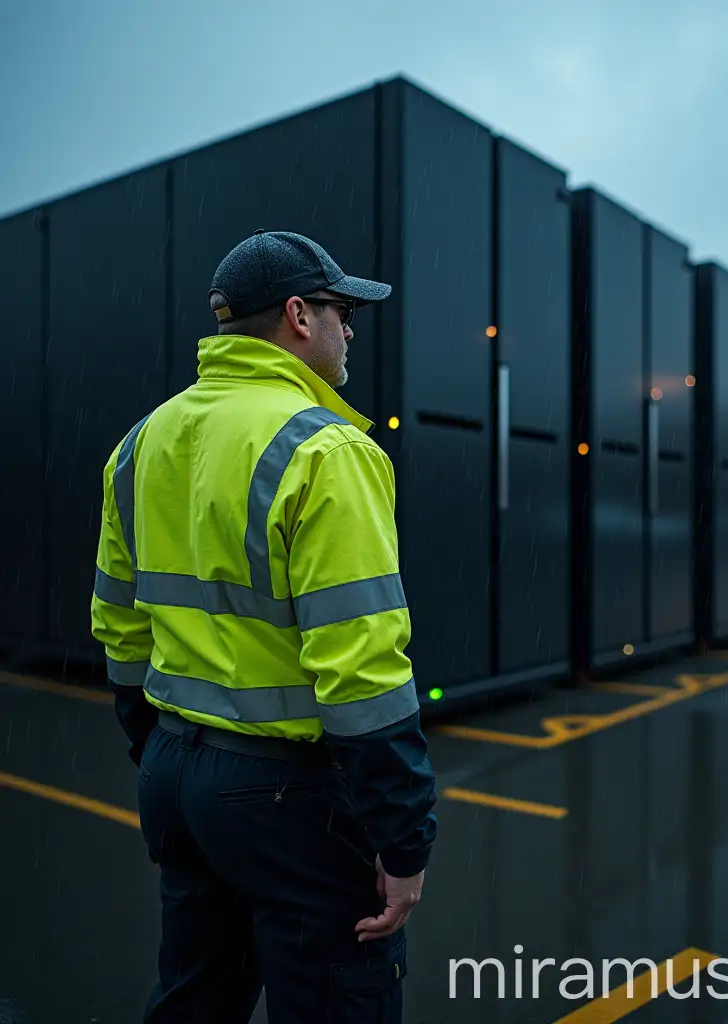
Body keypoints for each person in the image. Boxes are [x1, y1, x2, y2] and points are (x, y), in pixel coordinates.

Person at [90, 229, 438, 1023]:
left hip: (178, 775)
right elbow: (363, 672)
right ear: (296, 316)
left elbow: (118, 625)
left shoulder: (140, 444)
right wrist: (403, 841)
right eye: (341, 310)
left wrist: (160, 747)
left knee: (195, 996)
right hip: (287, 796)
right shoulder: (326, 448)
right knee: (334, 1000)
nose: (350, 329)